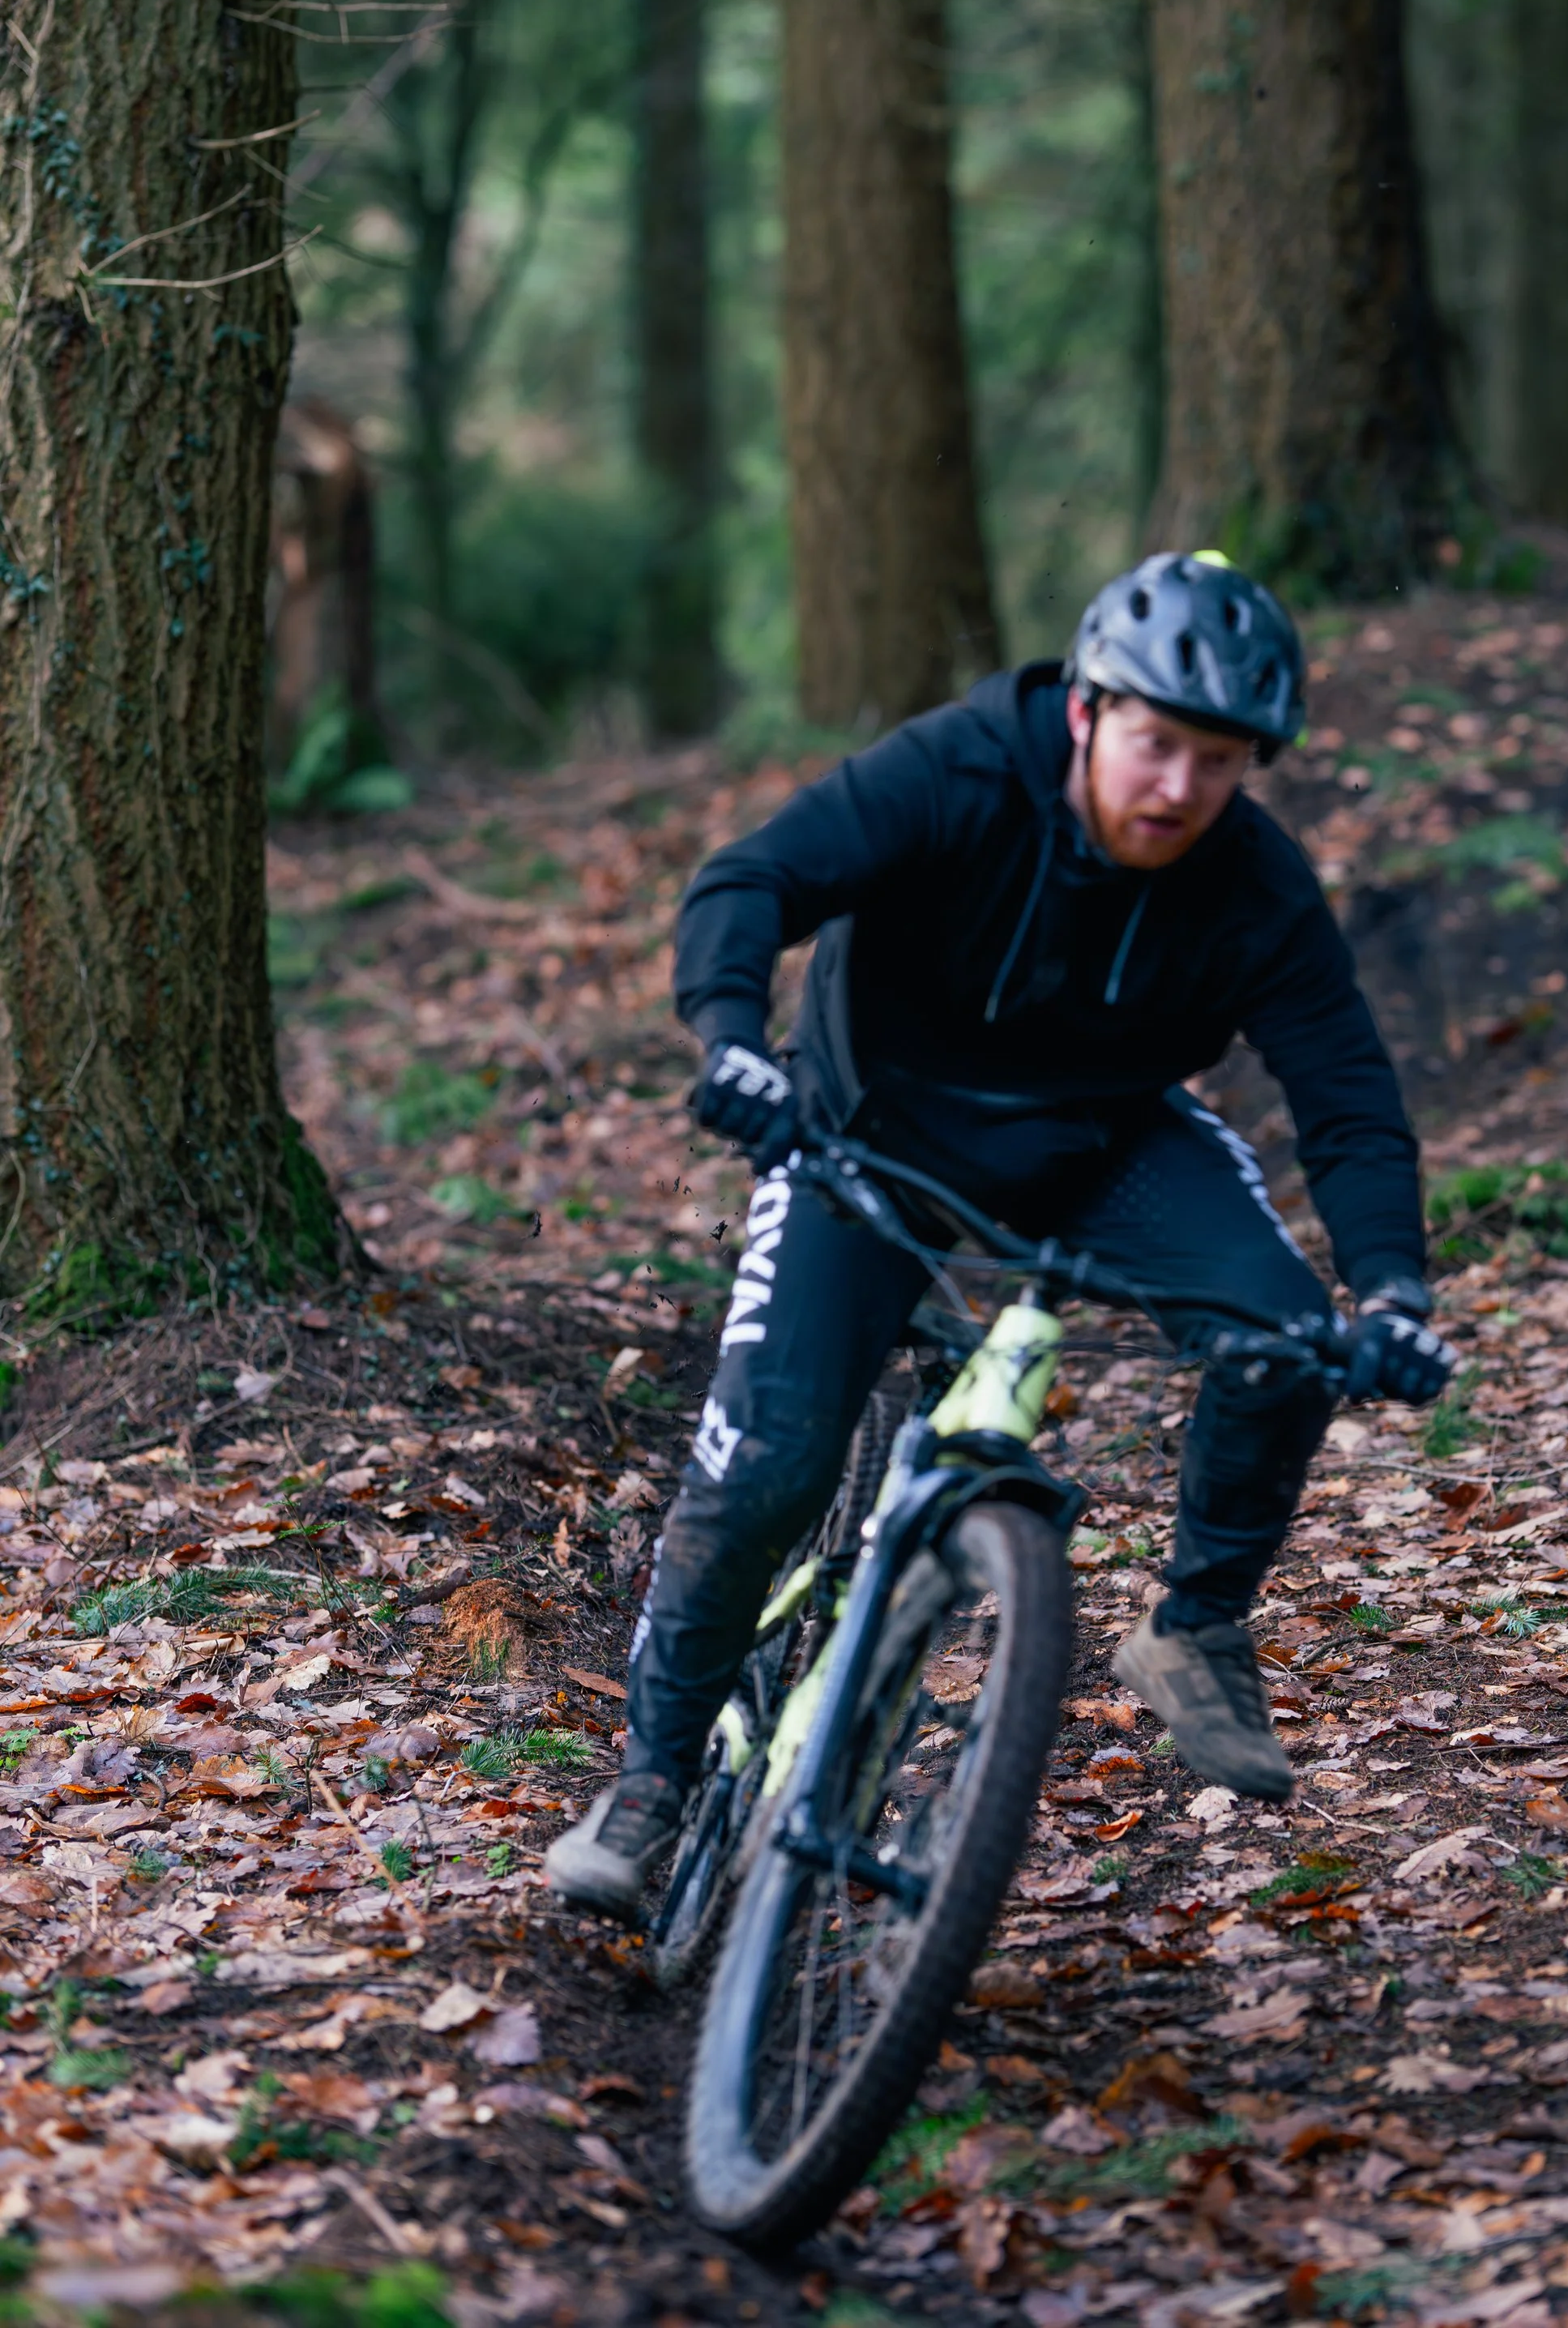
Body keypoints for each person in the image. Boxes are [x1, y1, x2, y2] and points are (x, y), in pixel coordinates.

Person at [546, 552, 1454, 1916]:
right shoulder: (965, 768)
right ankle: (654, 1780)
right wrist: (730, 1037)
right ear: (1087, 710)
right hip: (863, 1131)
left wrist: (1390, 1290)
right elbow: (755, 877)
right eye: (1156, 744)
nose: (1180, 788)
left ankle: (1196, 1627)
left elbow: (1349, 1095)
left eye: (1218, 761)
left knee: (1285, 1336)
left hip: (1098, 1139)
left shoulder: (1256, 884)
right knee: (769, 1464)